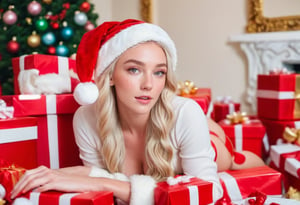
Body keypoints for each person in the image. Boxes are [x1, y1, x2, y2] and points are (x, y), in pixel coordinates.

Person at [11, 19, 223, 204]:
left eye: (159, 72)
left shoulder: (186, 114)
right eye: (134, 69)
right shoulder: (86, 119)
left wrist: (103, 184)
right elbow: (100, 179)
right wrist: (55, 174)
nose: (148, 84)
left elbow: (208, 192)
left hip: (211, 140)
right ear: (110, 75)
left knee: (237, 160)